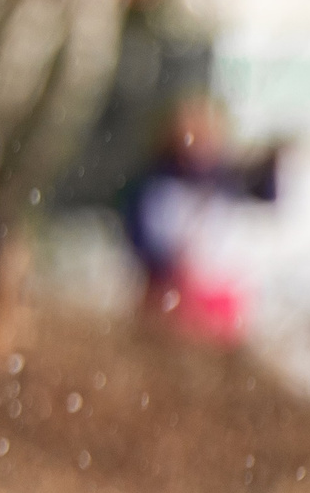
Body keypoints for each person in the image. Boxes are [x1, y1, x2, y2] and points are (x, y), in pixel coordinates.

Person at [117, 97, 280, 344]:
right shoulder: (157, 183)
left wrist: (272, 163)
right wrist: (166, 268)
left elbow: (264, 196)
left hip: (217, 292)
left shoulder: (223, 178)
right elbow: (139, 235)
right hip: (170, 291)